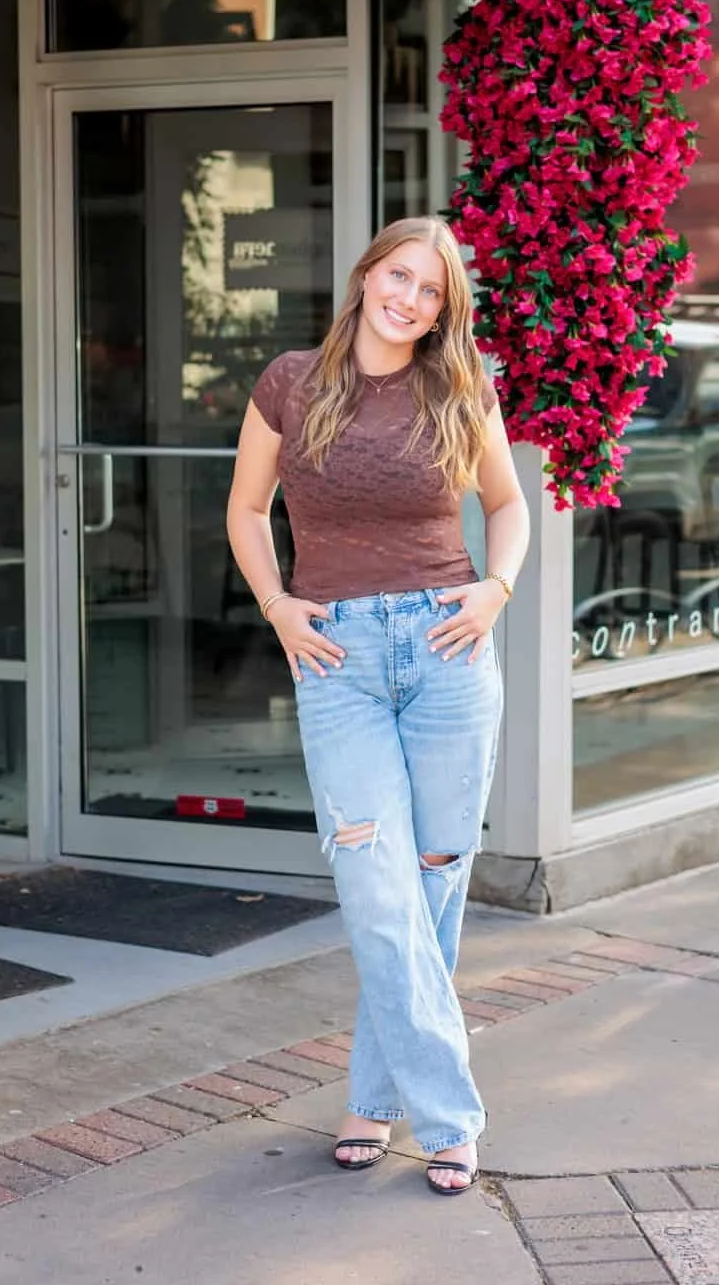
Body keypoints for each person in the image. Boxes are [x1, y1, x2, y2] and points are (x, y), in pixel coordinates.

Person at [227, 215, 531, 1195]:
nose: (408, 298)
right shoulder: (290, 382)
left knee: (431, 885)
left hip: (448, 651)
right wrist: (276, 605)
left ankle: (370, 1098)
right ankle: (449, 1115)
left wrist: (496, 589)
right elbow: (244, 507)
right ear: (365, 276)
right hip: (339, 662)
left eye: (430, 290)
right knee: (377, 887)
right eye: (398, 275)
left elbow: (507, 503)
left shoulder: (458, 386)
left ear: (444, 309)